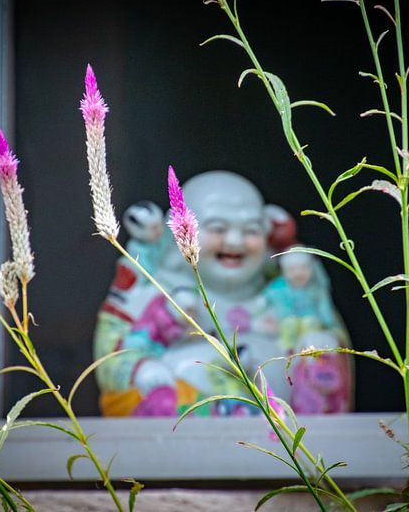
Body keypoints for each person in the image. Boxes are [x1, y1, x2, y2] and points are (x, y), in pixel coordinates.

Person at [93, 170, 351, 416]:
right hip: (188, 427)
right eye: (218, 228)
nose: (236, 242)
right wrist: (144, 369)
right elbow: (113, 358)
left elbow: (329, 343)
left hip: (287, 435)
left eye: (251, 230)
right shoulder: (152, 289)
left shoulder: (283, 291)